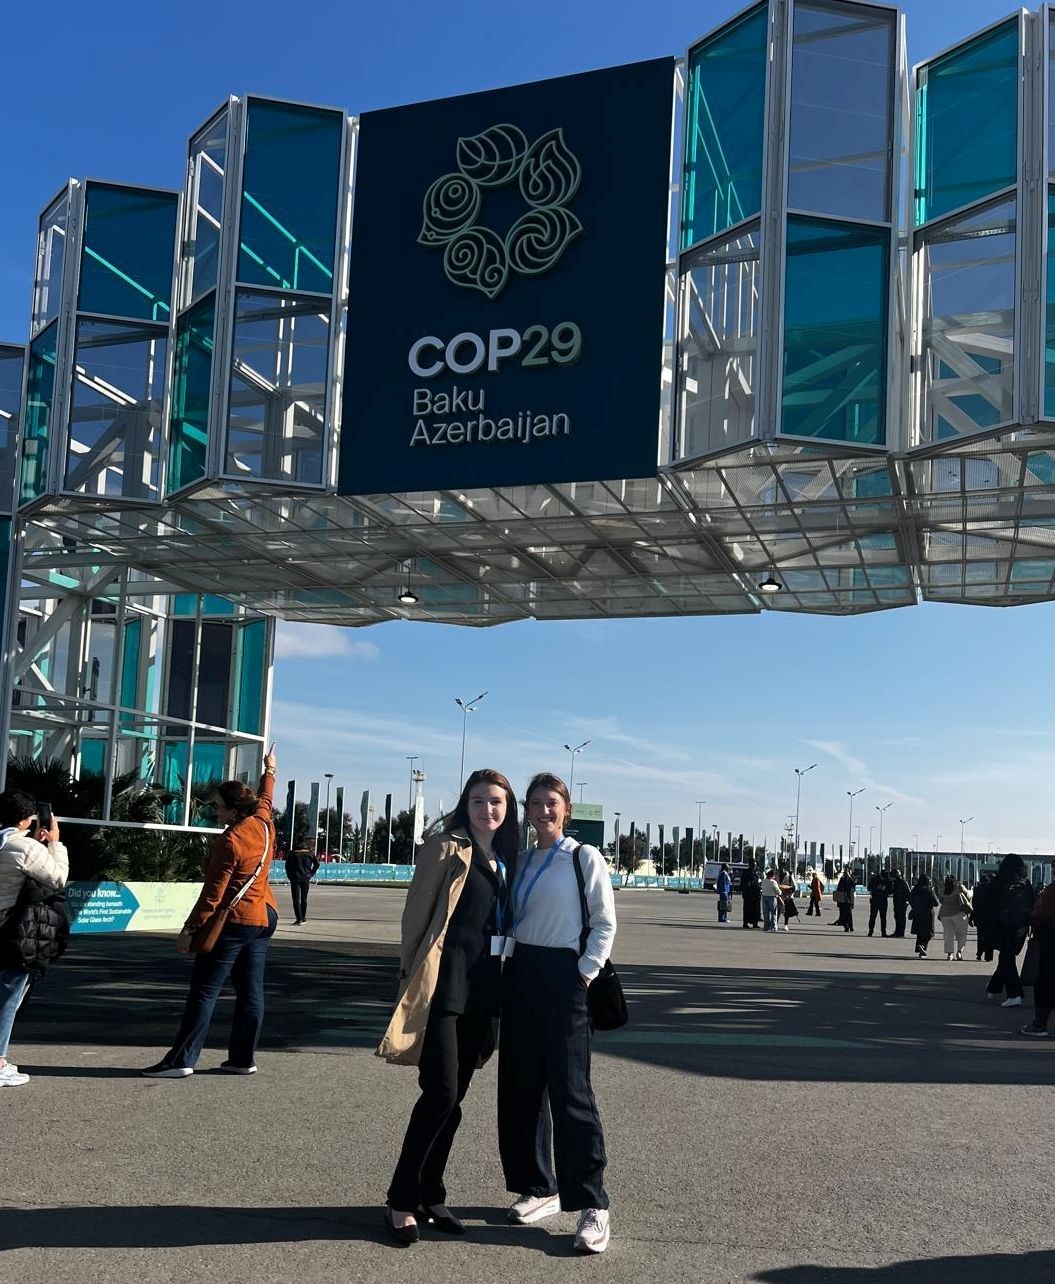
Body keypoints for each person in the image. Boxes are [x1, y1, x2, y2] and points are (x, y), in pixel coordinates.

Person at [378, 768, 519, 1246]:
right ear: (466, 804)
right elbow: (415, 918)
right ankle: (400, 1199)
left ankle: (430, 1192)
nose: (488, 809)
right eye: (479, 801)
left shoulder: (507, 859)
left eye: (497, 801)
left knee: (454, 1101)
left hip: (486, 993)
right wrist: (407, 977)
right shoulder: (445, 847)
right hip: (444, 988)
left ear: (508, 808)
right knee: (438, 1094)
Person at [498, 772, 616, 1256]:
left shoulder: (582, 857)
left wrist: (583, 974)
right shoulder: (522, 861)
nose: (543, 810)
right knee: (521, 1089)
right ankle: (540, 1187)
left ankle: (592, 1203)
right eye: (535, 803)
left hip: (565, 978)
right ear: (525, 810)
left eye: (552, 803)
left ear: (565, 809)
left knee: (571, 1092)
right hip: (522, 973)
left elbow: (605, 921)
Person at [142, 744, 279, 1079]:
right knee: (251, 991)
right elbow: (266, 798)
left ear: (232, 811)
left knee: (205, 990)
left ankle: (181, 1060)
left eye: (218, 806)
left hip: (234, 920)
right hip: (262, 918)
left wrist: (190, 929)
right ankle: (242, 1058)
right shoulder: (263, 823)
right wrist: (270, 770)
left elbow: (213, 895)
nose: (214, 811)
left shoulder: (230, 840)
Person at [0, 792, 69, 1088]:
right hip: (10, 930)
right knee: (8, 996)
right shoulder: (25, 846)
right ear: (26, 819)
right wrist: (54, 843)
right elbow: (57, 879)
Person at [983, 853, 1036, 1008]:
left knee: (1006, 958)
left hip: (1002, 926)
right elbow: (1032, 904)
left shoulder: (998, 882)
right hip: (1021, 927)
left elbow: (990, 905)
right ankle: (994, 986)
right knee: (1007, 956)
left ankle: (1015, 994)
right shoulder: (1025, 883)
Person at [1020, 876, 1055, 1038]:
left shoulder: (1051, 891)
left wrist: (1030, 913)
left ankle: (1039, 1024)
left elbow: (1042, 912)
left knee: (1045, 983)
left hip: (1049, 941)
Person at [937, 875, 971, 961]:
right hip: (959, 913)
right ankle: (959, 952)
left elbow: (940, 900)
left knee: (948, 935)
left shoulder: (943, 889)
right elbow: (968, 896)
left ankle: (949, 954)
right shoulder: (959, 887)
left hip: (945, 914)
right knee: (961, 935)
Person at [285, 846, 320, 925]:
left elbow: (287, 866)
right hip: (306, 878)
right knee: (304, 898)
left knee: (296, 899)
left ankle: (299, 918)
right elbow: (317, 864)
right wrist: (311, 873)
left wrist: (289, 875)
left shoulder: (292, 853)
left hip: (295, 878)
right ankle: (303, 918)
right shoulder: (310, 853)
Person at [909, 874, 938, 958]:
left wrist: (915, 906)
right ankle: (923, 946)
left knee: (920, 933)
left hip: (917, 913)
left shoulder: (915, 889)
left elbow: (910, 899)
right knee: (929, 933)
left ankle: (921, 950)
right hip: (928, 914)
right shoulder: (929, 891)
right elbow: (936, 903)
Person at [971, 872, 994, 961]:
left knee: (980, 935)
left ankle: (979, 953)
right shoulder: (993, 890)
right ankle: (988, 955)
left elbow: (974, 904)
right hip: (991, 916)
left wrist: (972, 916)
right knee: (989, 936)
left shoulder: (977, 889)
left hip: (980, 915)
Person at [867, 868, 892, 937]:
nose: (884, 878)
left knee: (883, 917)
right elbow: (869, 888)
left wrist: (885, 889)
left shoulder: (887, 880)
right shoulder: (874, 879)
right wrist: (877, 888)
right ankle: (870, 931)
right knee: (873, 916)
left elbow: (890, 891)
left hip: (883, 900)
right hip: (875, 900)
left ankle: (883, 932)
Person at [890, 868, 911, 938]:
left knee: (901, 918)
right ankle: (897, 931)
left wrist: (906, 901)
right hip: (897, 902)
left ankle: (901, 932)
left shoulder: (903, 882)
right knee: (897, 917)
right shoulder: (896, 883)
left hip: (902, 903)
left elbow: (908, 893)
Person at [741, 860, 762, 929]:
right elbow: (743, 883)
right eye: (753, 865)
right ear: (750, 865)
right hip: (748, 894)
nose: (754, 866)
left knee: (755, 909)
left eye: (755, 865)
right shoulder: (746, 872)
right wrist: (749, 883)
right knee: (747, 909)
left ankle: (755, 923)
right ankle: (745, 923)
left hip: (755, 894)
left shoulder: (756, 873)